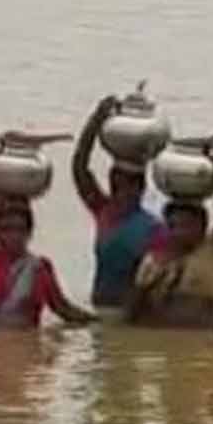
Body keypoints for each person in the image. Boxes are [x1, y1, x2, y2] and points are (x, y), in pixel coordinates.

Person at [0, 134, 95, 327]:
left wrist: (101, 324)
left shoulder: (39, 269)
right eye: (6, 229)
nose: (12, 235)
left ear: (29, 232)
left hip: (28, 349)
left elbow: (64, 310)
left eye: (18, 229)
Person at [127, 136, 213, 329]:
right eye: (173, 226)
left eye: (185, 226)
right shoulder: (153, 262)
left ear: (202, 225)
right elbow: (133, 317)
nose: (178, 233)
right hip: (164, 351)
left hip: (202, 353)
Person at [73, 96, 169, 308]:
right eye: (117, 185)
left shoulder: (155, 230)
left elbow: (152, 284)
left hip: (130, 317)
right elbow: (80, 168)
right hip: (100, 308)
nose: (122, 192)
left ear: (141, 188)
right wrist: (96, 121)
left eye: (129, 187)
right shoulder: (104, 211)